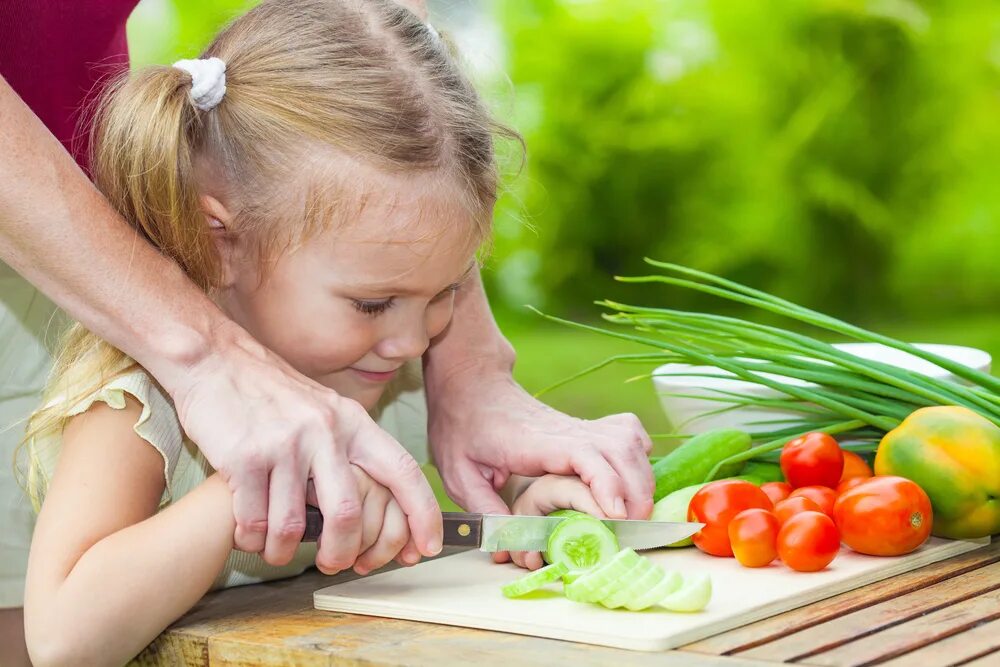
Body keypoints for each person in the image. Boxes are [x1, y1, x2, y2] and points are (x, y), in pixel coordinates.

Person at [15, 1, 650, 665]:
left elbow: (473, 513)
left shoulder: (400, 376)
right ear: (221, 243)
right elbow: (62, 640)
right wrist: (240, 496)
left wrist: (534, 505)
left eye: (447, 291)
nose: (412, 341)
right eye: (374, 303)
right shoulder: (144, 407)